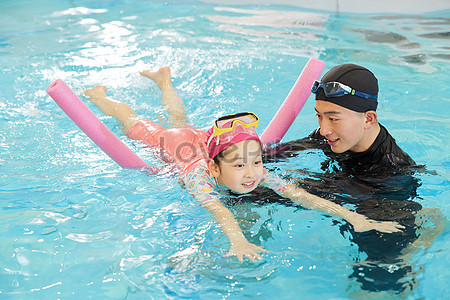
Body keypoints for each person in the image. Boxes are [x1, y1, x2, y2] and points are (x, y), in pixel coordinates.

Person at [83, 66, 404, 263]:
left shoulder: (253, 168)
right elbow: (220, 210)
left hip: (201, 139)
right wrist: (239, 240)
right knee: (137, 122)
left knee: (179, 119)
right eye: (239, 166)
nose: (251, 173)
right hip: (174, 145)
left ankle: (164, 81)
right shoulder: (199, 179)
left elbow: (300, 196)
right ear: (215, 171)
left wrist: (355, 218)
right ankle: (100, 97)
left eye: (254, 161)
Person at [264, 63, 444, 295]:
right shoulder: (334, 135)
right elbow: (278, 153)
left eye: (333, 119)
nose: (324, 129)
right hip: (347, 186)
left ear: (368, 119)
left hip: (381, 202)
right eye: (319, 117)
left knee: (380, 278)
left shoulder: (391, 171)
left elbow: (332, 193)